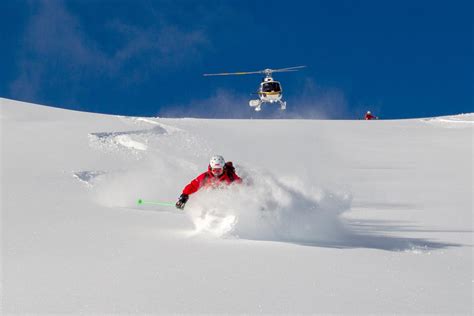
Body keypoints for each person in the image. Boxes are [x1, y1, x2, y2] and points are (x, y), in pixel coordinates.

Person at [175, 155, 242, 209]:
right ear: (210, 168)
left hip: (225, 199)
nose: (217, 173)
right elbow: (193, 185)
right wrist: (184, 195)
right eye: (214, 170)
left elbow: (240, 185)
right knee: (208, 189)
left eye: (219, 170)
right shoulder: (205, 176)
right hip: (210, 197)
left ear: (223, 168)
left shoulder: (230, 176)